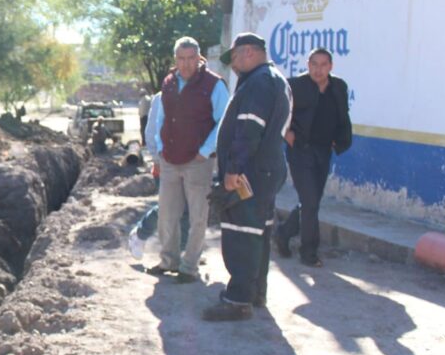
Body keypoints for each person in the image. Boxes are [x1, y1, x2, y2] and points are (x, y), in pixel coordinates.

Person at [204, 32, 292, 321]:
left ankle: (238, 300)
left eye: (235, 58)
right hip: (267, 169)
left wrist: (233, 169)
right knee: (258, 233)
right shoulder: (276, 80)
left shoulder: (258, 82)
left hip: (251, 171)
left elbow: (248, 129)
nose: (234, 66)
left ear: (249, 52)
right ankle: (256, 293)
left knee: (241, 233)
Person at [146, 37, 229, 284]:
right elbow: (161, 118)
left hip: (198, 161)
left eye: (191, 58)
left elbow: (223, 122)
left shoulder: (214, 85)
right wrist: (160, 149)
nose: (186, 64)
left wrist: (205, 151)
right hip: (170, 159)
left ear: (199, 58)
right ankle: (168, 261)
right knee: (167, 215)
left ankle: (189, 267)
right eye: (181, 58)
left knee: (197, 217)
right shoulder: (169, 83)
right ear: (176, 59)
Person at [274, 48, 352, 267]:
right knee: (310, 202)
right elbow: (278, 111)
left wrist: (340, 139)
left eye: (323, 65)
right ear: (308, 65)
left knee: (312, 201)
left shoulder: (338, 87)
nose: (318, 70)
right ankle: (308, 253)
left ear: (331, 66)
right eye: (314, 64)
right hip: (300, 150)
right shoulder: (295, 86)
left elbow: (343, 115)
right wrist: (287, 133)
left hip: (324, 150)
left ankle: (283, 233)